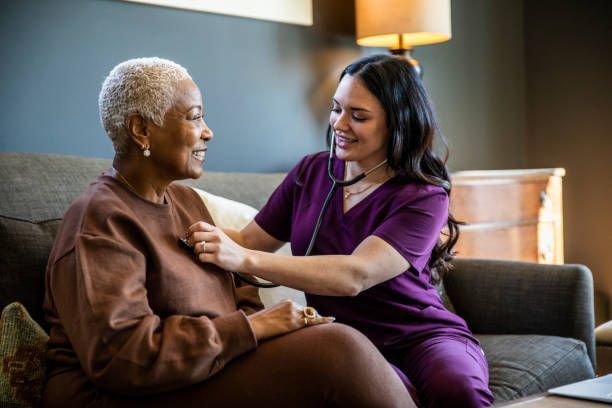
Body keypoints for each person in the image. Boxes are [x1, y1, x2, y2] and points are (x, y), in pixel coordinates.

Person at [42, 57, 416, 407]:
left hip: (211, 366)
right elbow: (123, 357)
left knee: (333, 344)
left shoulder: (185, 201)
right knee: (338, 351)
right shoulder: (100, 219)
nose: (208, 132)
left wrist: (274, 326)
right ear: (142, 130)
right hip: (128, 393)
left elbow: (240, 293)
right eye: (194, 117)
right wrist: (251, 328)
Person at [186, 54, 495, 408]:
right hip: (345, 340)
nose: (339, 124)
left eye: (358, 116)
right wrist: (172, 228)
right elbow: (248, 239)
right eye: (336, 109)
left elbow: (355, 274)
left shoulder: (423, 197)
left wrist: (244, 258)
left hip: (422, 337)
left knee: (458, 392)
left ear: (398, 123)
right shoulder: (311, 173)